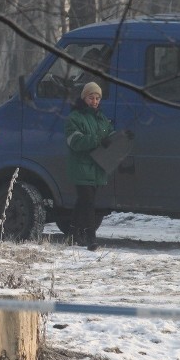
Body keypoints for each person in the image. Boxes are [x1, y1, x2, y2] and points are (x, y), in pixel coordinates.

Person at [65, 81, 131, 251]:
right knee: (88, 202)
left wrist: (121, 137)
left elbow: (109, 136)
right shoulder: (75, 117)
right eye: (91, 97)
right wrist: (98, 140)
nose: (94, 101)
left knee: (83, 202)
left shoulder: (101, 118)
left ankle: (72, 233)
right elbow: (75, 142)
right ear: (84, 98)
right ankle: (90, 237)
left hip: (97, 166)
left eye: (97, 98)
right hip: (81, 166)